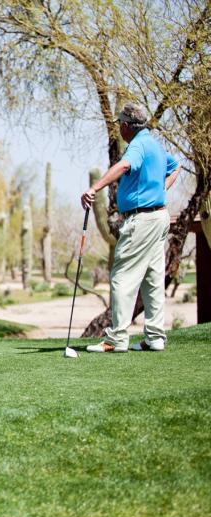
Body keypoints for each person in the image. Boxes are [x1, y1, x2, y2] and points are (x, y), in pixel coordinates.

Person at [81, 103, 181, 353]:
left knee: (122, 276)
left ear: (126, 126)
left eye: (120, 125)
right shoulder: (154, 145)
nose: (119, 129)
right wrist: (161, 189)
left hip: (142, 220)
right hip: (159, 218)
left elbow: (125, 166)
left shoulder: (137, 145)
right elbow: (175, 165)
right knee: (152, 278)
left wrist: (95, 188)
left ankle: (116, 339)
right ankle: (155, 337)